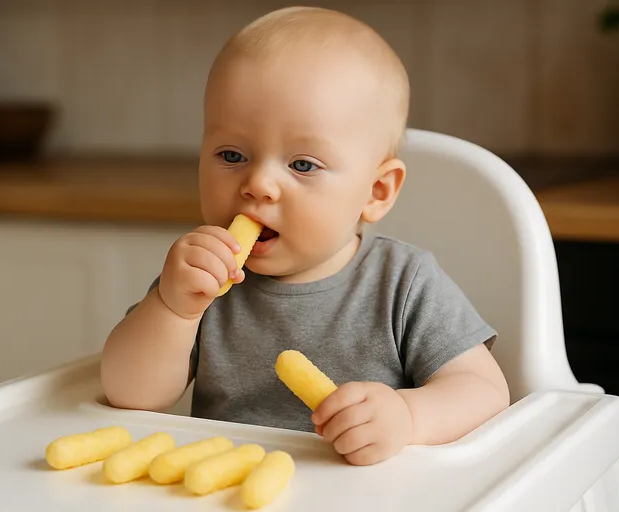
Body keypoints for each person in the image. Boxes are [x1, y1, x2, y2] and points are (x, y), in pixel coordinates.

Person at [101, 6, 509, 466]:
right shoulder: (200, 281)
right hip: (229, 487)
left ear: (375, 192)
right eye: (232, 154)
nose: (257, 184)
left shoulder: (404, 282)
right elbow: (129, 394)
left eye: (302, 165)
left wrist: (408, 418)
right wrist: (173, 309)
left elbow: (485, 392)